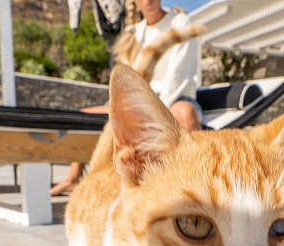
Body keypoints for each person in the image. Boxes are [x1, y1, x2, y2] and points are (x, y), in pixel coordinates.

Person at [50, 0, 202, 196]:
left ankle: (194, 182)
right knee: (83, 116)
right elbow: (125, 77)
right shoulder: (133, 33)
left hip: (175, 98)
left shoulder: (179, 22)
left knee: (185, 113)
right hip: (137, 101)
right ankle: (73, 179)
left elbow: (179, 75)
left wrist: (154, 111)